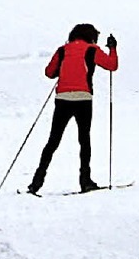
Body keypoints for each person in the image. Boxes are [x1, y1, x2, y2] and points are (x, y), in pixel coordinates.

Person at [28, 23, 118, 195]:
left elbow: (49, 72)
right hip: (83, 98)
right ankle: (85, 180)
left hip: (62, 98)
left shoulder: (62, 50)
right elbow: (111, 65)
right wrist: (112, 48)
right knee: (84, 140)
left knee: (53, 141)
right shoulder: (92, 49)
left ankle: (36, 182)